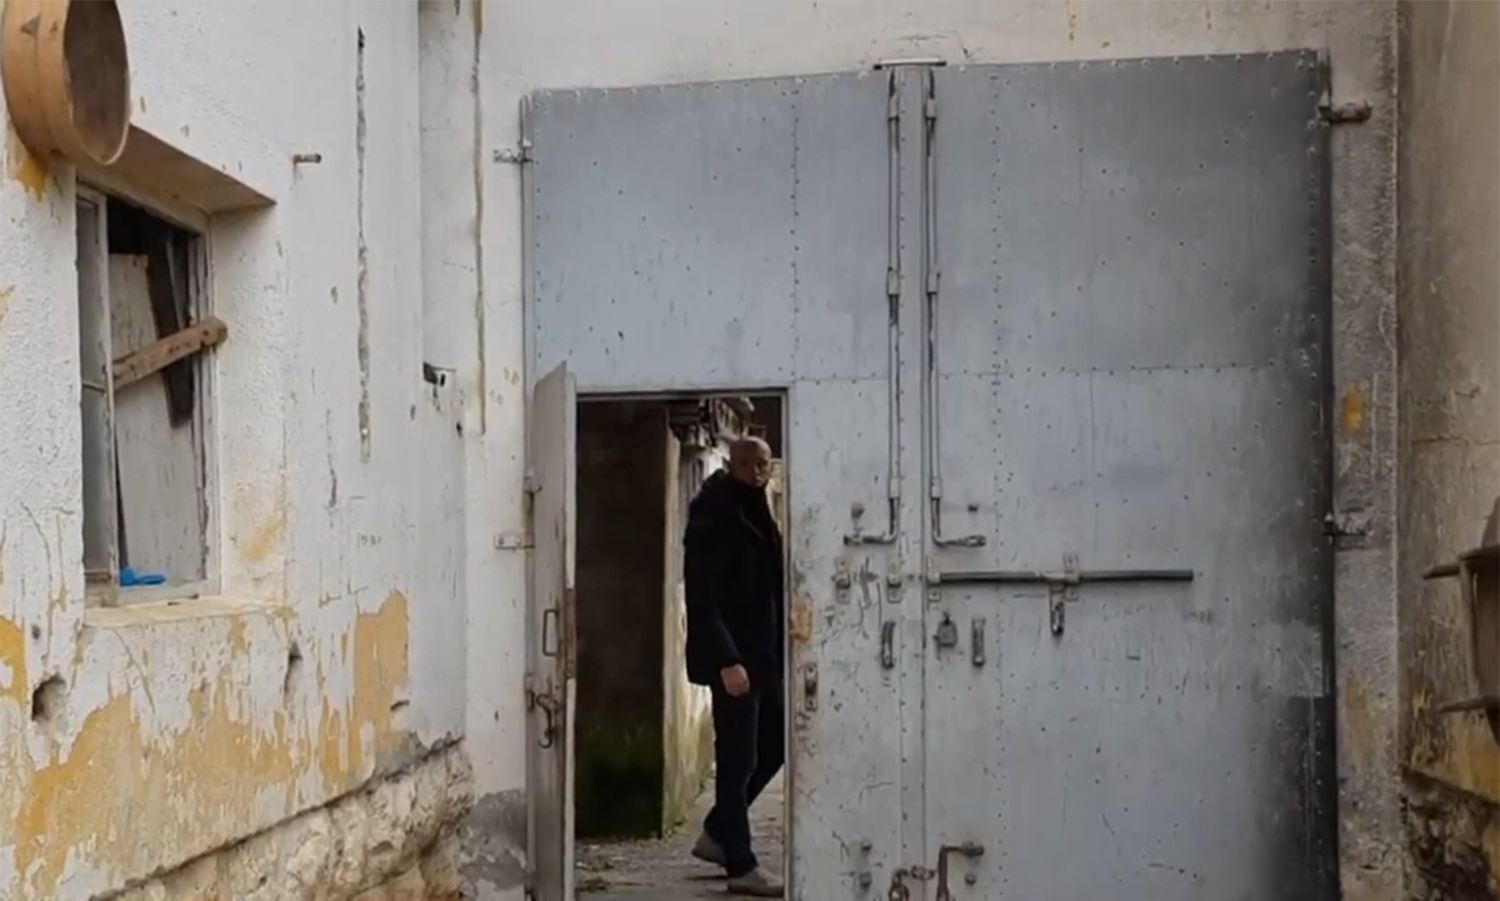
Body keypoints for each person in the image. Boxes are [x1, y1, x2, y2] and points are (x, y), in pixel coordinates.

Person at [682, 435, 786, 898]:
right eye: (745, 463)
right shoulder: (715, 514)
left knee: (777, 744)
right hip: (735, 662)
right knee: (737, 760)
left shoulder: (758, 510)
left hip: (763, 657)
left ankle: (720, 832)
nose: (754, 471)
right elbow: (703, 596)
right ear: (730, 463)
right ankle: (741, 865)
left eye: (762, 464)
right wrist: (726, 660)